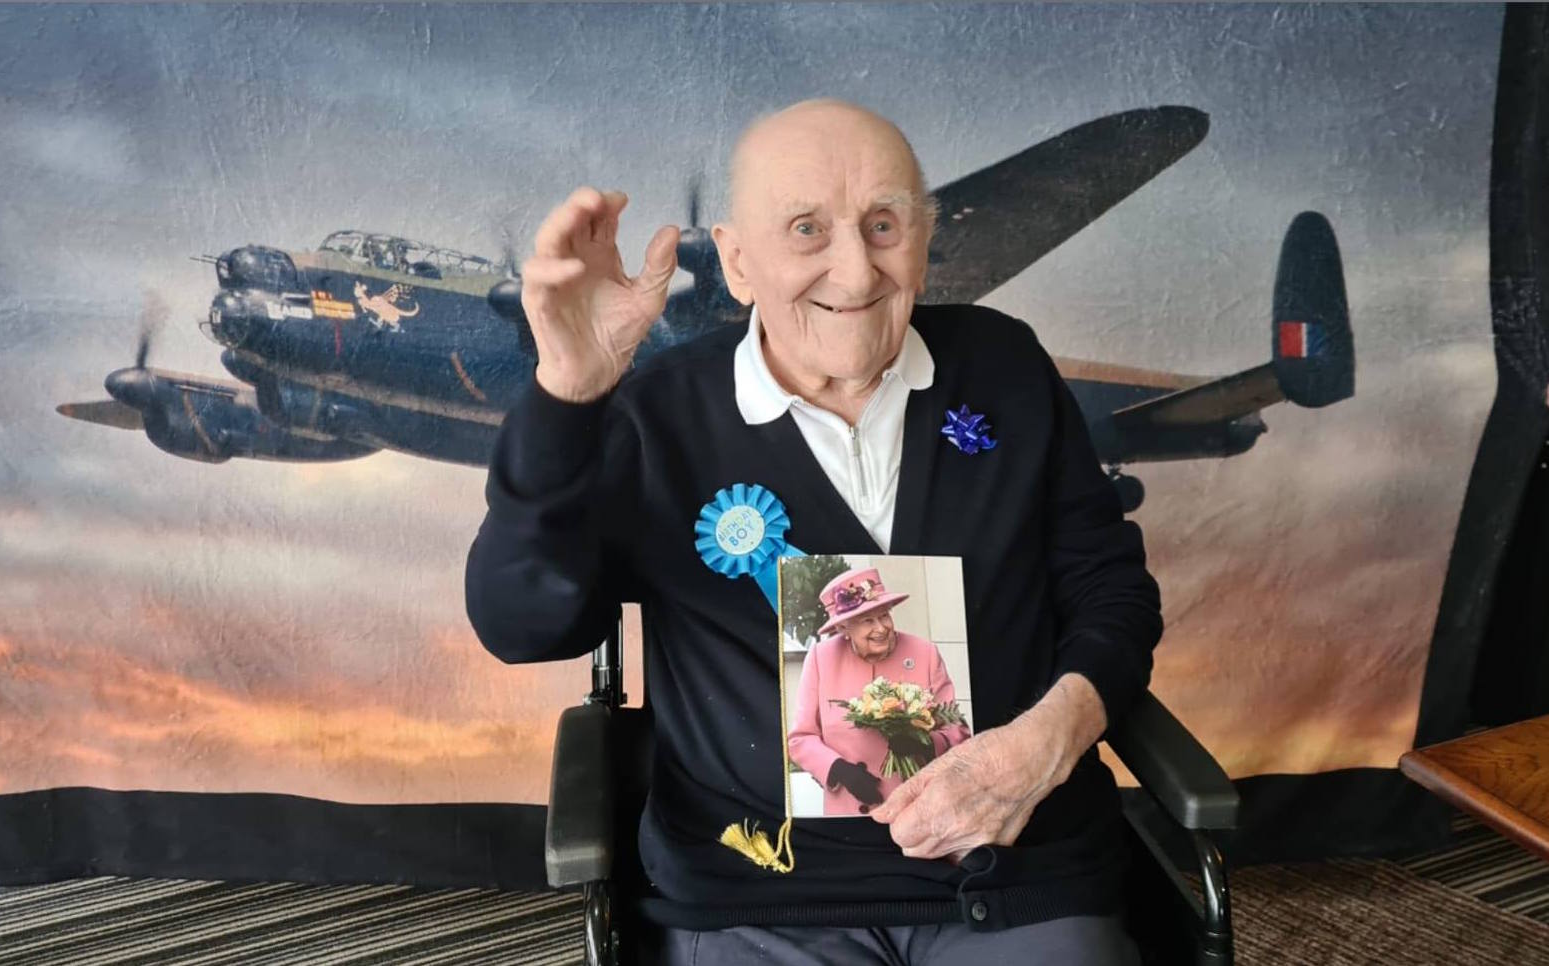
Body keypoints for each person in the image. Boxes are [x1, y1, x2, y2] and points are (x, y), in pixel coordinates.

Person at [465, 98, 1160, 965]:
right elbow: (522, 626)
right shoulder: (660, 414)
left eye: (882, 224)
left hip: (1013, 867)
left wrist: (1045, 740)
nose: (854, 270)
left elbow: (1110, 590)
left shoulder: (1005, 364)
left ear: (923, 235)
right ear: (736, 261)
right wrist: (566, 395)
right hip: (755, 892)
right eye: (804, 229)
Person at [787, 566, 971, 816]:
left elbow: (956, 729)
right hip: (849, 808)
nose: (882, 628)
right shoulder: (821, 658)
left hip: (916, 805)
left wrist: (925, 745)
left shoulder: (924, 653)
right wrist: (839, 770)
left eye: (885, 615)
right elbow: (801, 738)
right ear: (843, 628)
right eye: (867, 620)